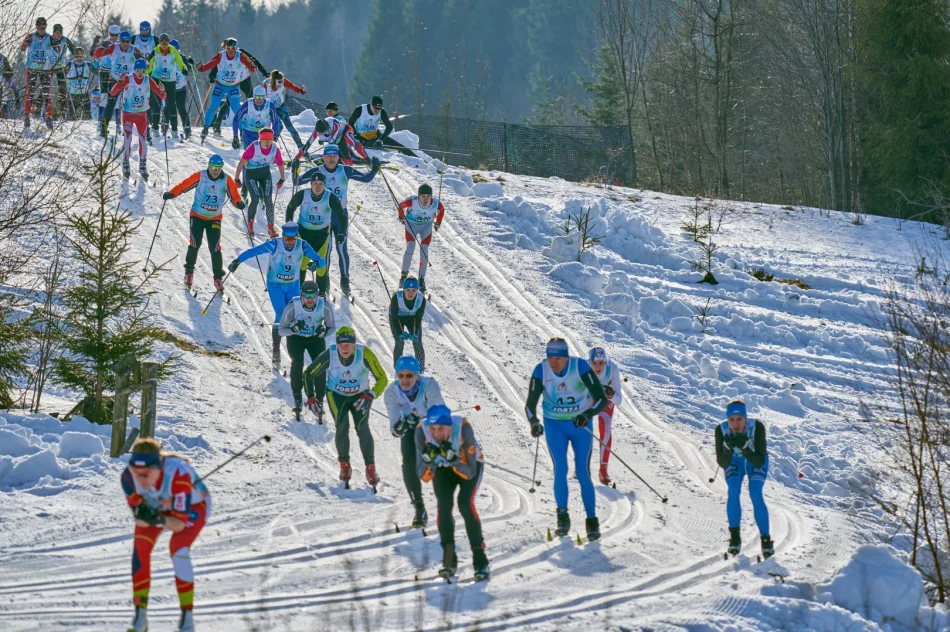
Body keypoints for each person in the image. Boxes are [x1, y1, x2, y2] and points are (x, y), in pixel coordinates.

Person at [120, 436, 210, 632]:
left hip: (194, 506)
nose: (141, 479)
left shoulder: (178, 474)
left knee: (177, 548)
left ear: (159, 468)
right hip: (160, 507)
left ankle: (187, 617)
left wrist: (158, 519)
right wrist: (148, 515)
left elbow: (178, 525)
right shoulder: (127, 477)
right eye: (138, 473)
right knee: (140, 549)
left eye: (147, 474)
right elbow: (140, 520)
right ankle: (140, 616)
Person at [524, 338, 608, 540]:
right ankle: (562, 518)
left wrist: (587, 415)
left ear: (566, 357)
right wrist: (534, 422)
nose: (553, 363)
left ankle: (591, 522)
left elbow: (602, 399)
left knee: (582, 472)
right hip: (555, 425)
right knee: (560, 469)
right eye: (550, 358)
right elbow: (530, 404)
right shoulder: (541, 370)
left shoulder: (579, 367)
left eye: (558, 358)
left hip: (580, 425)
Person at [228, 221, 325, 368]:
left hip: (293, 285)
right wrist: (237, 261)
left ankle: (297, 350)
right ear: (283, 236)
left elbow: (322, 261)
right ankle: (276, 350)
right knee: (281, 313)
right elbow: (253, 251)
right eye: (287, 239)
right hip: (276, 285)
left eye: (293, 239)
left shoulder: (302, 245)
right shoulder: (275, 244)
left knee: (296, 315)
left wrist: (316, 264)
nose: (290, 243)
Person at [302, 326, 389, 487]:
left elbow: (382, 378)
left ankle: (371, 468)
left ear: (354, 344)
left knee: (362, 428)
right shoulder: (331, 354)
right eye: (341, 345)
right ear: (337, 345)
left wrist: (371, 395)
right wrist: (311, 397)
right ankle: (345, 466)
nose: (345, 348)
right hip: (336, 395)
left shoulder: (365, 354)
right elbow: (309, 373)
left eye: (348, 344)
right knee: (342, 426)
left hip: (360, 396)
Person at [416, 404, 489, 580]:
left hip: (469, 465)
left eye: (440, 428)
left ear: (449, 425)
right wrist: (429, 461)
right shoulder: (421, 431)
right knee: (444, 505)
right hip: (443, 469)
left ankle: (480, 560)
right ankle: (449, 561)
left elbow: (470, 471)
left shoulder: (463, 427)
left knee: (465, 503)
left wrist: (454, 460)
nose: (435, 433)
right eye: (432, 428)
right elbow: (422, 474)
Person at [296, 145, 379, 296]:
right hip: (324, 218)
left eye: (334, 156)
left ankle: (345, 280)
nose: (332, 159)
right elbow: (297, 181)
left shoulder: (345, 170)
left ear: (338, 157)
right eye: (328, 156)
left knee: (342, 249)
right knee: (326, 251)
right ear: (323, 158)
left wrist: (374, 168)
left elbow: (365, 178)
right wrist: (294, 168)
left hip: (340, 217)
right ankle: (325, 279)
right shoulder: (317, 171)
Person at [163, 154, 245, 291]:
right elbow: (184, 185)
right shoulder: (200, 176)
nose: (215, 171)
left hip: (214, 219)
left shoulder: (226, 180)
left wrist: (238, 203)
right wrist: (172, 193)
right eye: (212, 167)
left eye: (218, 168)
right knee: (195, 243)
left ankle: (218, 278)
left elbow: (234, 195)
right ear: (208, 165)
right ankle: (189, 273)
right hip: (197, 216)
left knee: (215, 247)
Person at [384, 355, 443, 529]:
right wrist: (403, 424)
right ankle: (419, 508)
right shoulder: (391, 392)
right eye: (400, 376)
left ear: (417, 375)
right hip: (411, 428)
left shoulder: (429, 386)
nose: (404, 380)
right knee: (408, 463)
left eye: (409, 375)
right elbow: (395, 430)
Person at [715, 400, 773, 558]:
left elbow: (759, 461)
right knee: (733, 490)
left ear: (745, 418)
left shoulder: (757, 427)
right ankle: (734, 536)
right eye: (731, 419)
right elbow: (722, 462)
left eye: (739, 419)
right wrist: (727, 449)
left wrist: (745, 448)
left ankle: (766, 539)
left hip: (754, 458)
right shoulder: (721, 430)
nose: (735, 423)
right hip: (735, 461)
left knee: (755, 492)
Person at [284, 171, 345, 298]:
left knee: (321, 265)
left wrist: (341, 233)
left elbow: (341, 215)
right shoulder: (303, 194)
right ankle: (298, 294)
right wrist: (289, 226)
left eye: (321, 184)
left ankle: (321, 294)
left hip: (321, 235)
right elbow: (290, 208)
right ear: (311, 184)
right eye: (315, 184)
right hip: (303, 233)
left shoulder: (330, 197)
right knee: (301, 263)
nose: (318, 187)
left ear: (324, 185)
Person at [277, 279, 334, 416]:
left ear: (318, 295)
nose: (310, 299)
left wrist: (324, 331)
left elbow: (332, 327)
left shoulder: (324, 306)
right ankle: (297, 397)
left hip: (315, 338)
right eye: (306, 296)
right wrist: (294, 329)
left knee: (319, 366)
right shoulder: (293, 306)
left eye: (313, 296)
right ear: (301, 295)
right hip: (296, 339)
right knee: (297, 363)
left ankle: (319, 399)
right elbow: (281, 330)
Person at [110, 58, 166, 179]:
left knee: (143, 140)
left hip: (142, 114)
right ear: (134, 70)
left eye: (143, 70)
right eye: (138, 70)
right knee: (128, 138)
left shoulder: (148, 80)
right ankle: (125, 164)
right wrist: (120, 82)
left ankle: (142, 165)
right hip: (128, 114)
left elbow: (161, 95)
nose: (141, 73)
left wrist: (162, 90)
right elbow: (113, 93)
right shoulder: (128, 79)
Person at [196, 38, 256, 140]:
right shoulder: (220, 55)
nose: (231, 51)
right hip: (220, 85)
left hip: (234, 86)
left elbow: (253, 69)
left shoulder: (240, 56)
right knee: (213, 106)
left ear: (235, 48)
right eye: (228, 48)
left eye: (233, 48)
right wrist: (201, 67)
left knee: (236, 109)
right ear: (226, 47)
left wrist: (253, 66)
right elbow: (210, 65)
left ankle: (241, 131)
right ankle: (205, 128)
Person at [234, 127, 286, 237]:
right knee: (256, 197)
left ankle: (271, 227)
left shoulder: (274, 148)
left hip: (264, 174)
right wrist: (237, 178)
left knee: (268, 199)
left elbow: (280, 163)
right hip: (251, 174)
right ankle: (250, 224)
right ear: (260, 139)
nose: (267, 142)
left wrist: (282, 178)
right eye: (265, 140)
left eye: (270, 140)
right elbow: (241, 163)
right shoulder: (254, 147)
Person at [93, 31, 144, 138]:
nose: (125, 44)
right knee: (110, 104)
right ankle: (103, 128)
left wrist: (140, 61)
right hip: (114, 79)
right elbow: (96, 55)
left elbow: (145, 63)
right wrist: (102, 47)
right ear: (119, 41)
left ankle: (139, 128)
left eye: (128, 41)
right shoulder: (113, 47)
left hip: (129, 81)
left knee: (133, 103)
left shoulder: (133, 49)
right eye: (123, 41)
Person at [397, 184, 444, 294]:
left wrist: (438, 223)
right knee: (410, 246)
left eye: (428, 196)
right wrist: (401, 217)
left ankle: (421, 279)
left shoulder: (436, 203)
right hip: (411, 225)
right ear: (418, 196)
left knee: (424, 249)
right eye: (423, 196)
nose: (425, 199)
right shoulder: (412, 201)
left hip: (426, 226)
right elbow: (400, 206)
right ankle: (403, 276)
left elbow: (442, 210)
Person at [211, 42, 267, 134]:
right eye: (226, 49)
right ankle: (217, 123)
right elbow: (217, 66)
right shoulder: (223, 56)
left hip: (244, 79)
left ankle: (253, 123)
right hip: (233, 81)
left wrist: (264, 72)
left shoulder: (241, 53)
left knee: (251, 100)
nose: (229, 51)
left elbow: (254, 60)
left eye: (231, 48)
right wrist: (212, 76)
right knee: (229, 102)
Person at [294, 101, 369, 165]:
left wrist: (322, 160)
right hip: (336, 137)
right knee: (338, 152)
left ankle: (367, 158)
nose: (322, 134)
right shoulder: (317, 129)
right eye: (327, 111)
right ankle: (344, 159)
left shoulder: (335, 124)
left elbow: (332, 143)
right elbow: (307, 145)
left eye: (331, 111)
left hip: (345, 130)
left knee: (347, 141)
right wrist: (296, 158)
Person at [588, 347, 622, 485]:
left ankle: (603, 469)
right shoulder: (584, 369)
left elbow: (619, 400)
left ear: (606, 363)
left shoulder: (612, 369)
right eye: (594, 363)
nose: (598, 367)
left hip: (605, 400)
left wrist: (611, 394)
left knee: (606, 426)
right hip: (589, 397)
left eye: (601, 363)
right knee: (583, 428)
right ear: (590, 363)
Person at [146, 33, 188, 134]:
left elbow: (180, 61)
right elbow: (150, 64)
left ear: (168, 43)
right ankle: (155, 128)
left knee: (171, 104)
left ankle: (174, 129)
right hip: (157, 78)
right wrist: (147, 75)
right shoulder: (155, 51)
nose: (164, 45)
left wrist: (183, 69)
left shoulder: (173, 51)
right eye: (162, 43)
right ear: (159, 43)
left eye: (166, 43)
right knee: (157, 104)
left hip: (170, 80)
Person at [347, 95, 413, 154]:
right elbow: (350, 121)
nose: (377, 110)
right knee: (367, 147)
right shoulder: (360, 109)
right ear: (371, 105)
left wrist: (381, 139)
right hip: (360, 136)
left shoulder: (382, 112)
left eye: (379, 108)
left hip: (374, 135)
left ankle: (418, 160)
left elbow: (389, 127)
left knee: (398, 146)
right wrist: (355, 133)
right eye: (375, 108)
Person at [20, 17, 54, 129]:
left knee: (46, 94)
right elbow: (22, 48)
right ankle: (27, 116)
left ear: (46, 26)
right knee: (30, 93)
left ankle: (48, 117)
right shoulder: (31, 36)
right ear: (36, 26)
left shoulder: (50, 38)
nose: (41, 28)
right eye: (39, 26)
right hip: (31, 69)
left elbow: (59, 50)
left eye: (43, 26)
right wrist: (25, 42)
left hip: (45, 69)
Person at [389, 276, 427, 371]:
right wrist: (400, 332)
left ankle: (420, 368)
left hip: (412, 318)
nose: (410, 293)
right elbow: (394, 318)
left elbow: (418, 318)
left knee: (417, 341)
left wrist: (415, 332)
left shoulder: (421, 299)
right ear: (404, 290)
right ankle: (398, 366)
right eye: (408, 290)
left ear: (417, 290)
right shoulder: (397, 297)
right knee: (399, 341)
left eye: (414, 290)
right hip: (397, 318)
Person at [263, 69, 306, 148]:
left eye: (281, 82)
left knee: (290, 126)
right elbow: (261, 99)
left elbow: (295, 88)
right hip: (271, 108)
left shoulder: (283, 81)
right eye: (278, 83)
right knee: (279, 126)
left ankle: (300, 146)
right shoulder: (266, 84)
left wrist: (302, 90)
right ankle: (271, 145)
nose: (280, 84)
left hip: (280, 105)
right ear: (272, 81)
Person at [232, 85, 279, 150]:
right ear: (253, 96)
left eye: (260, 97)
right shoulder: (247, 104)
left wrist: (273, 136)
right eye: (256, 97)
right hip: (248, 133)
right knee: (250, 154)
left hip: (264, 133)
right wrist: (235, 136)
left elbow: (275, 121)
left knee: (263, 154)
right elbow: (236, 119)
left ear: (264, 97)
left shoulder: (270, 106)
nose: (258, 100)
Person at [92, 25, 120, 122]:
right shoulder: (105, 43)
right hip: (104, 71)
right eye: (112, 35)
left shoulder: (120, 44)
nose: (114, 37)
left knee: (116, 96)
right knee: (104, 96)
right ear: (109, 34)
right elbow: (94, 54)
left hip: (115, 72)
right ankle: (100, 121)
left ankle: (118, 122)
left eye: (116, 35)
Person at [169, 39, 195, 138]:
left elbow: (188, 68)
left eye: (176, 50)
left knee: (181, 109)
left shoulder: (182, 58)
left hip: (181, 89)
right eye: (172, 50)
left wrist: (190, 65)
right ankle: (171, 128)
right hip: (170, 89)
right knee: (171, 109)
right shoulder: (165, 59)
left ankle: (187, 129)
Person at [48, 24, 75, 118]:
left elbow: (73, 50)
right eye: (56, 32)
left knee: (63, 88)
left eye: (60, 33)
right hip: (50, 67)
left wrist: (76, 55)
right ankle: (41, 107)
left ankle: (61, 110)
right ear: (53, 32)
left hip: (61, 67)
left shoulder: (65, 40)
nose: (58, 35)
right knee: (46, 86)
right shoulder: (49, 39)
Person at [64, 47, 93, 120]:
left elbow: (97, 71)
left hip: (84, 94)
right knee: (71, 116)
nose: (79, 58)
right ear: (74, 56)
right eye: (77, 56)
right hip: (72, 94)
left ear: (83, 56)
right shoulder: (69, 64)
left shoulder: (88, 65)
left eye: (81, 56)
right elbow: (62, 73)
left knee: (87, 117)